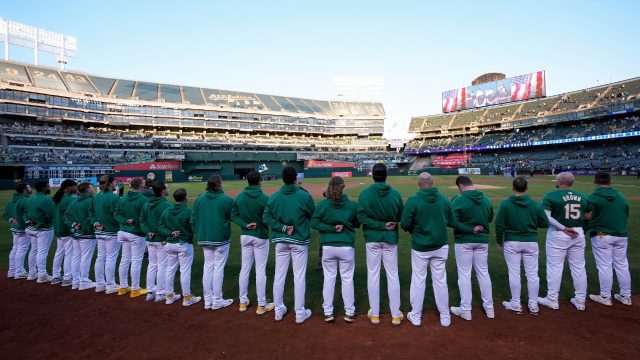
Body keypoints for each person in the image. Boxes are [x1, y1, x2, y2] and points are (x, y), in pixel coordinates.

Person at [401, 172, 481, 327]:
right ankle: (445, 316)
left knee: (418, 280)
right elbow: (453, 223)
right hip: (440, 246)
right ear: (432, 183)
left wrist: (414, 229)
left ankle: (416, 316)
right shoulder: (444, 199)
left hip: (421, 247)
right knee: (440, 281)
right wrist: (471, 229)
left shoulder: (413, 200)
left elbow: (404, 224)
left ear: (419, 183)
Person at [263, 166, 315, 324]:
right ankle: (299, 313)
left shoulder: (274, 197)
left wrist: (282, 227)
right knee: (299, 276)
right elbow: (313, 214)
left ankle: (278, 310)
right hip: (299, 240)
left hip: (281, 241)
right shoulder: (303, 195)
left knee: (279, 275)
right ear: (295, 178)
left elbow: (266, 217)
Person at [357, 163, 403, 326]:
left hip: (373, 239)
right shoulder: (396, 194)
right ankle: (395, 315)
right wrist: (385, 225)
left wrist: (378, 225)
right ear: (386, 174)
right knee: (392, 275)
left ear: (372, 175)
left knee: (373, 275)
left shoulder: (365, 194)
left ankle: (375, 315)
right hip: (390, 238)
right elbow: (401, 216)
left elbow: (361, 217)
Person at [538, 172, 591, 311]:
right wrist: (578, 226)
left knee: (555, 267)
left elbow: (546, 216)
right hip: (578, 233)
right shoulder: (582, 196)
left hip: (559, 233)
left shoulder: (550, 196)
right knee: (579, 268)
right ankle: (580, 301)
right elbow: (588, 215)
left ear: (559, 181)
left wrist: (563, 227)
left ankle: (552, 300)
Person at [495, 177, 549, 315]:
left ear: (513, 188)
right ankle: (533, 304)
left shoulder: (505, 203)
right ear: (526, 188)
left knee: (514, 273)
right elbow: (545, 223)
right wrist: (530, 224)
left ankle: (516, 303)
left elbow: (499, 224)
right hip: (531, 241)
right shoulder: (535, 204)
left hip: (512, 241)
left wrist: (499, 240)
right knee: (532, 275)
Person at [311, 176, 359, 323]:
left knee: (329, 279)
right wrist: (338, 227)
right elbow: (357, 224)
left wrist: (329, 228)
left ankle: (328, 312)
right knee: (347, 280)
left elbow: (314, 222)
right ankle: (349, 312)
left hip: (328, 247)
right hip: (346, 247)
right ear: (343, 187)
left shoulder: (323, 204)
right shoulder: (352, 205)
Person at [450, 176, 495, 320]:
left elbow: (452, 222)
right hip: (482, 240)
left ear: (460, 186)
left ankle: (466, 310)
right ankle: (490, 309)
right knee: (483, 273)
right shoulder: (486, 199)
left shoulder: (458, 200)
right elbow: (489, 219)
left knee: (464, 274)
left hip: (464, 241)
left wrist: (470, 229)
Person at [231, 171, 274, 315]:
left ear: (247, 181)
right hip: (260, 236)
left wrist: (244, 224)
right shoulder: (265, 198)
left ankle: (243, 302)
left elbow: (233, 215)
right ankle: (261, 304)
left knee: (245, 269)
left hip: (245, 236)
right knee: (260, 270)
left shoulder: (239, 197)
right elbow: (269, 218)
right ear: (259, 181)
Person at [587, 172, 632, 306]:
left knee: (604, 266)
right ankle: (626, 296)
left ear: (595, 181)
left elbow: (588, 217)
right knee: (622, 266)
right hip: (621, 235)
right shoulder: (621, 197)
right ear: (610, 181)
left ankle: (605, 296)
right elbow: (625, 214)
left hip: (602, 234)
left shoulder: (593, 197)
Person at [191, 175, 234, 310]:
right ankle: (217, 300)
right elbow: (233, 217)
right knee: (218, 268)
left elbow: (193, 220)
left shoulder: (199, 199)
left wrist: (199, 232)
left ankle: (207, 300)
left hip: (205, 237)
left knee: (208, 267)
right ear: (219, 184)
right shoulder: (226, 199)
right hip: (221, 238)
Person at [158, 188, 201, 307]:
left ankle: (169, 296)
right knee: (185, 271)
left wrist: (170, 233)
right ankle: (187, 298)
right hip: (183, 244)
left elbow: (160, 227)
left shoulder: (167, 211)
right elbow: (193, 227)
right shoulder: (188, 211)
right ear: (185, 197)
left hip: (169, 244)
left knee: (170, 269)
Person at [114, 178, 149, 298]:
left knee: (124, 259)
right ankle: (135, 289)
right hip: (136, 234)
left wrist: (125, 221)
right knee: (136, 261)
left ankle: (123, 287)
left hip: (123, 232)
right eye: (143, 184)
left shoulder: (123, 198)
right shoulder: (143, 199)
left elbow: (116, 214)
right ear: (140, 186)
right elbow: (145, 218)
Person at [140, 181, 172, 302]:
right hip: (161, 239)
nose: (168, 189)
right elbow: (167, 224)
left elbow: (142, 220)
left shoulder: (146, 204)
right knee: (162, 265)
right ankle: (160, 293)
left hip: (149, 239)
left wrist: (148, 232)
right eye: (167, 188)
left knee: (152, 265)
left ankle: (150, 292)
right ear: (163, 190)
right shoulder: (167, 205)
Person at [92, 175, 122, 294]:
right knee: (110, 258)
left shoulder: (96, 196)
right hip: (111, 232)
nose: (115, 184)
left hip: (99, 232)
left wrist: (95, 223)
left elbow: (91, 213)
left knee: (101, 257)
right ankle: (110, 285)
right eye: (114, 182)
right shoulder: (113, 198)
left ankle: (100, 284)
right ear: (110, 184)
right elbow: (117, 215)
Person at [64, 182, 97, 291]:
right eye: (91, 188)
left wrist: (73, 225)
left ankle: (76, 282)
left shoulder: (73, 202)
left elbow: (66, 217)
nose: (93, 189)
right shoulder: (91, 201)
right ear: (87, 190)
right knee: (85, 258)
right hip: (87, 233)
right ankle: (83, 282)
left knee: (76, 257)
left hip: (76, 233)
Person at [24, 181, 55, 283]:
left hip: (31, 229)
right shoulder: (46, 200)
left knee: (33, 251)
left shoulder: (31, 199)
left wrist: (29, 221)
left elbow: (25, 214)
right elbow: (51, 215)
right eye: (48, 186)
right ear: (44, 188)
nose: (49, 188)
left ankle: (32, 273)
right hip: (43, 229)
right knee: (42, 253)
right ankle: (42, 275)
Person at [51, 179, 78, 286]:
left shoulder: (56, 198)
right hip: (67, 230)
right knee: (69, 254)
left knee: (59, 253)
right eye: (75, 186)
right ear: (68, 187)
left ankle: (55, 276)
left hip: (58, 229)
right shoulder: (68, 199)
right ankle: (67, 277)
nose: (76, 188)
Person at [3, 183, 32, 279]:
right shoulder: (25, 200)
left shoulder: (11, 201)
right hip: (22, 227)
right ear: (24, 189)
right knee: (22, 249)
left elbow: (5, 214)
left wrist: (11, 219)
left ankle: (11, 271)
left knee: (15, 248)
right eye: (29, 187)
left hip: (14, 227)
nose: (30, 188)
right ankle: (19, 271)